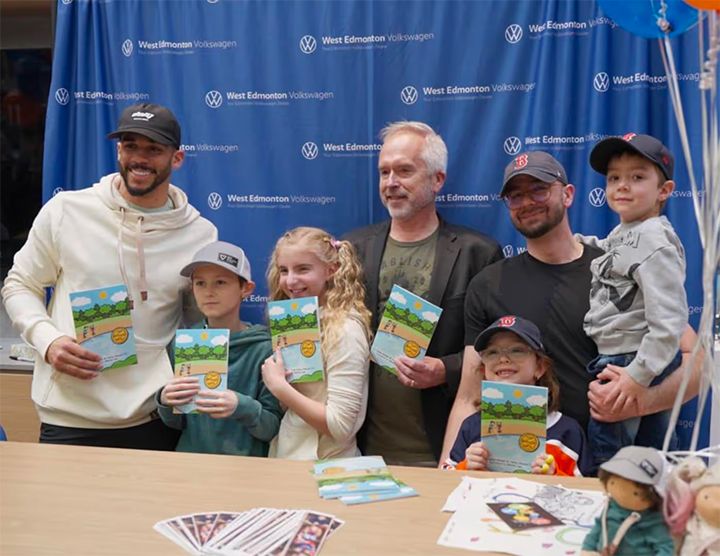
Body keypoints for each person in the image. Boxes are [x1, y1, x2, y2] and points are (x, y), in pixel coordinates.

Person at [441, 150, 699, 466]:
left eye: (538, 189)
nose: (527, 202)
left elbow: (698, 364)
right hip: (523, 468)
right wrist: (447, 471)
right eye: (516, 195)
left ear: (568, 194)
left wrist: (638, 401)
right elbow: (469, 396)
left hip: (616, 467)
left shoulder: (613, 267)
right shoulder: (487, 284)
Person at [1, 102, 217, 449]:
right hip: (69, 414)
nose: (139, 158)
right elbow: (19, 285)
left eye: (154, 149)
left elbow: (199, 321)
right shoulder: (66, 211)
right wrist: (48, 341)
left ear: (177, 158)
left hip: (156, 414)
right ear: (119, 149)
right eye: (130, 146)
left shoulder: (200, 233)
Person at [343, 121, 502, 467]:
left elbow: (501, 352)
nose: (390, 183)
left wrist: (446, 369)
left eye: (404, 171)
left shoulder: (479, 253)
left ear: (437, 179)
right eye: (384, 172)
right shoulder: (353, 248)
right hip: (359, 449)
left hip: (443, 448)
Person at [579, 133, 687, 466]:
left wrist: (637, 375)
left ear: (664, 191)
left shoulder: (655, 239)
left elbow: (669, 323)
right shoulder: (628, 232)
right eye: (614, 178)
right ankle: (650, 511)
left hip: (631, 359)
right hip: (622, 356)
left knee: (612, 457)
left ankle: (615, 511)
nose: (622, 186)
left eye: (637, 177)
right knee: (648, 457)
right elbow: (612, 251)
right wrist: (575, 244)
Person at [156, 241, 283, 456]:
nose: (209, 292)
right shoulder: (184, 343)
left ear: (246, 288)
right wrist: (165, 401)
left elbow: (272, 428)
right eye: (200, 283)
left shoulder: (265, 347)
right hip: (191, 464)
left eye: (221, 282)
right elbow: (177, 423)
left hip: (247, 469)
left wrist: (241, 406)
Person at [261, 227, 372, 460]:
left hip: (328, 468)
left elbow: (340, 427)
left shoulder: (346, 329)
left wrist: (278, 386)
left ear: (331, 270)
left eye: (303, 269)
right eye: (284, 270)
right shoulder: (295, 320)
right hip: (289, 458)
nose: (290, 280)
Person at [443, 315, 591, 477]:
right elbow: (445, 479)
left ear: (540, 367)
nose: (503, 359)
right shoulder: (472, 426)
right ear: (483, 369)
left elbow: (587, 490)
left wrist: (554, 475)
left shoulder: (568, 431)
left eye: (517, 350)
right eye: (492, 352)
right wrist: (467, 466)